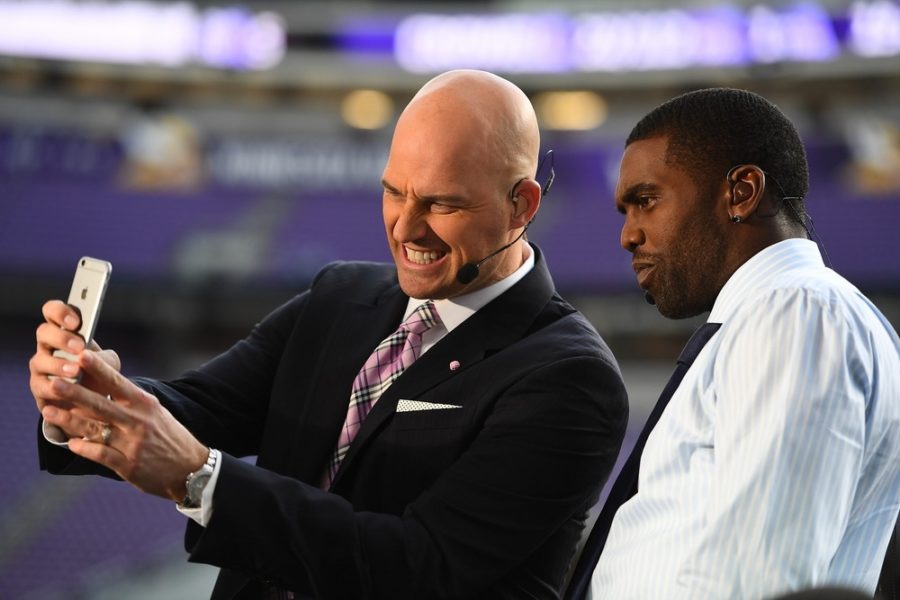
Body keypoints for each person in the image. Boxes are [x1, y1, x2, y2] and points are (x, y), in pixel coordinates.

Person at [29, 70, 629, 600]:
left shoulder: (570, 378)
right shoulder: (339, 297)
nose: (406, 227)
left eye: (443, 203)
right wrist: (89, 400)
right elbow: (199, 408)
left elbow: (421, 567)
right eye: (394, 191)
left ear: (522, 204)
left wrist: (203, 478)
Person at [574, 88, 900, 599]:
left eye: (645, 201)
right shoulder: (775, 316)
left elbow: (756, 579)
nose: (628, 235)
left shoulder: (795, 313)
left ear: (742, 192)